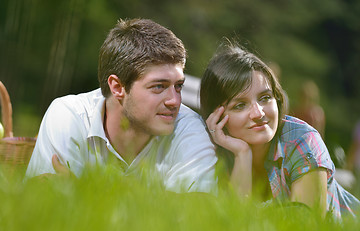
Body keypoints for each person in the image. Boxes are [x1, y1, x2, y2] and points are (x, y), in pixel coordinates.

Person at [25, 18, 217, 193]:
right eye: (159, 86)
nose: (175, 101)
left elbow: (197, 213)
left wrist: (83, 191)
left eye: (179, 86)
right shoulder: (68, 115)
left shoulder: (190, 127)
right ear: (117, 87)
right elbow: (46, 205)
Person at [199, 40, 359, 219]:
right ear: (217, 116)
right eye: (240, 105)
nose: (258, 113)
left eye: (265, 97)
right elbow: (233, 225)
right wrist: (242, 155)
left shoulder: (302, 140)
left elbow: (306, 229)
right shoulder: (210, 153)